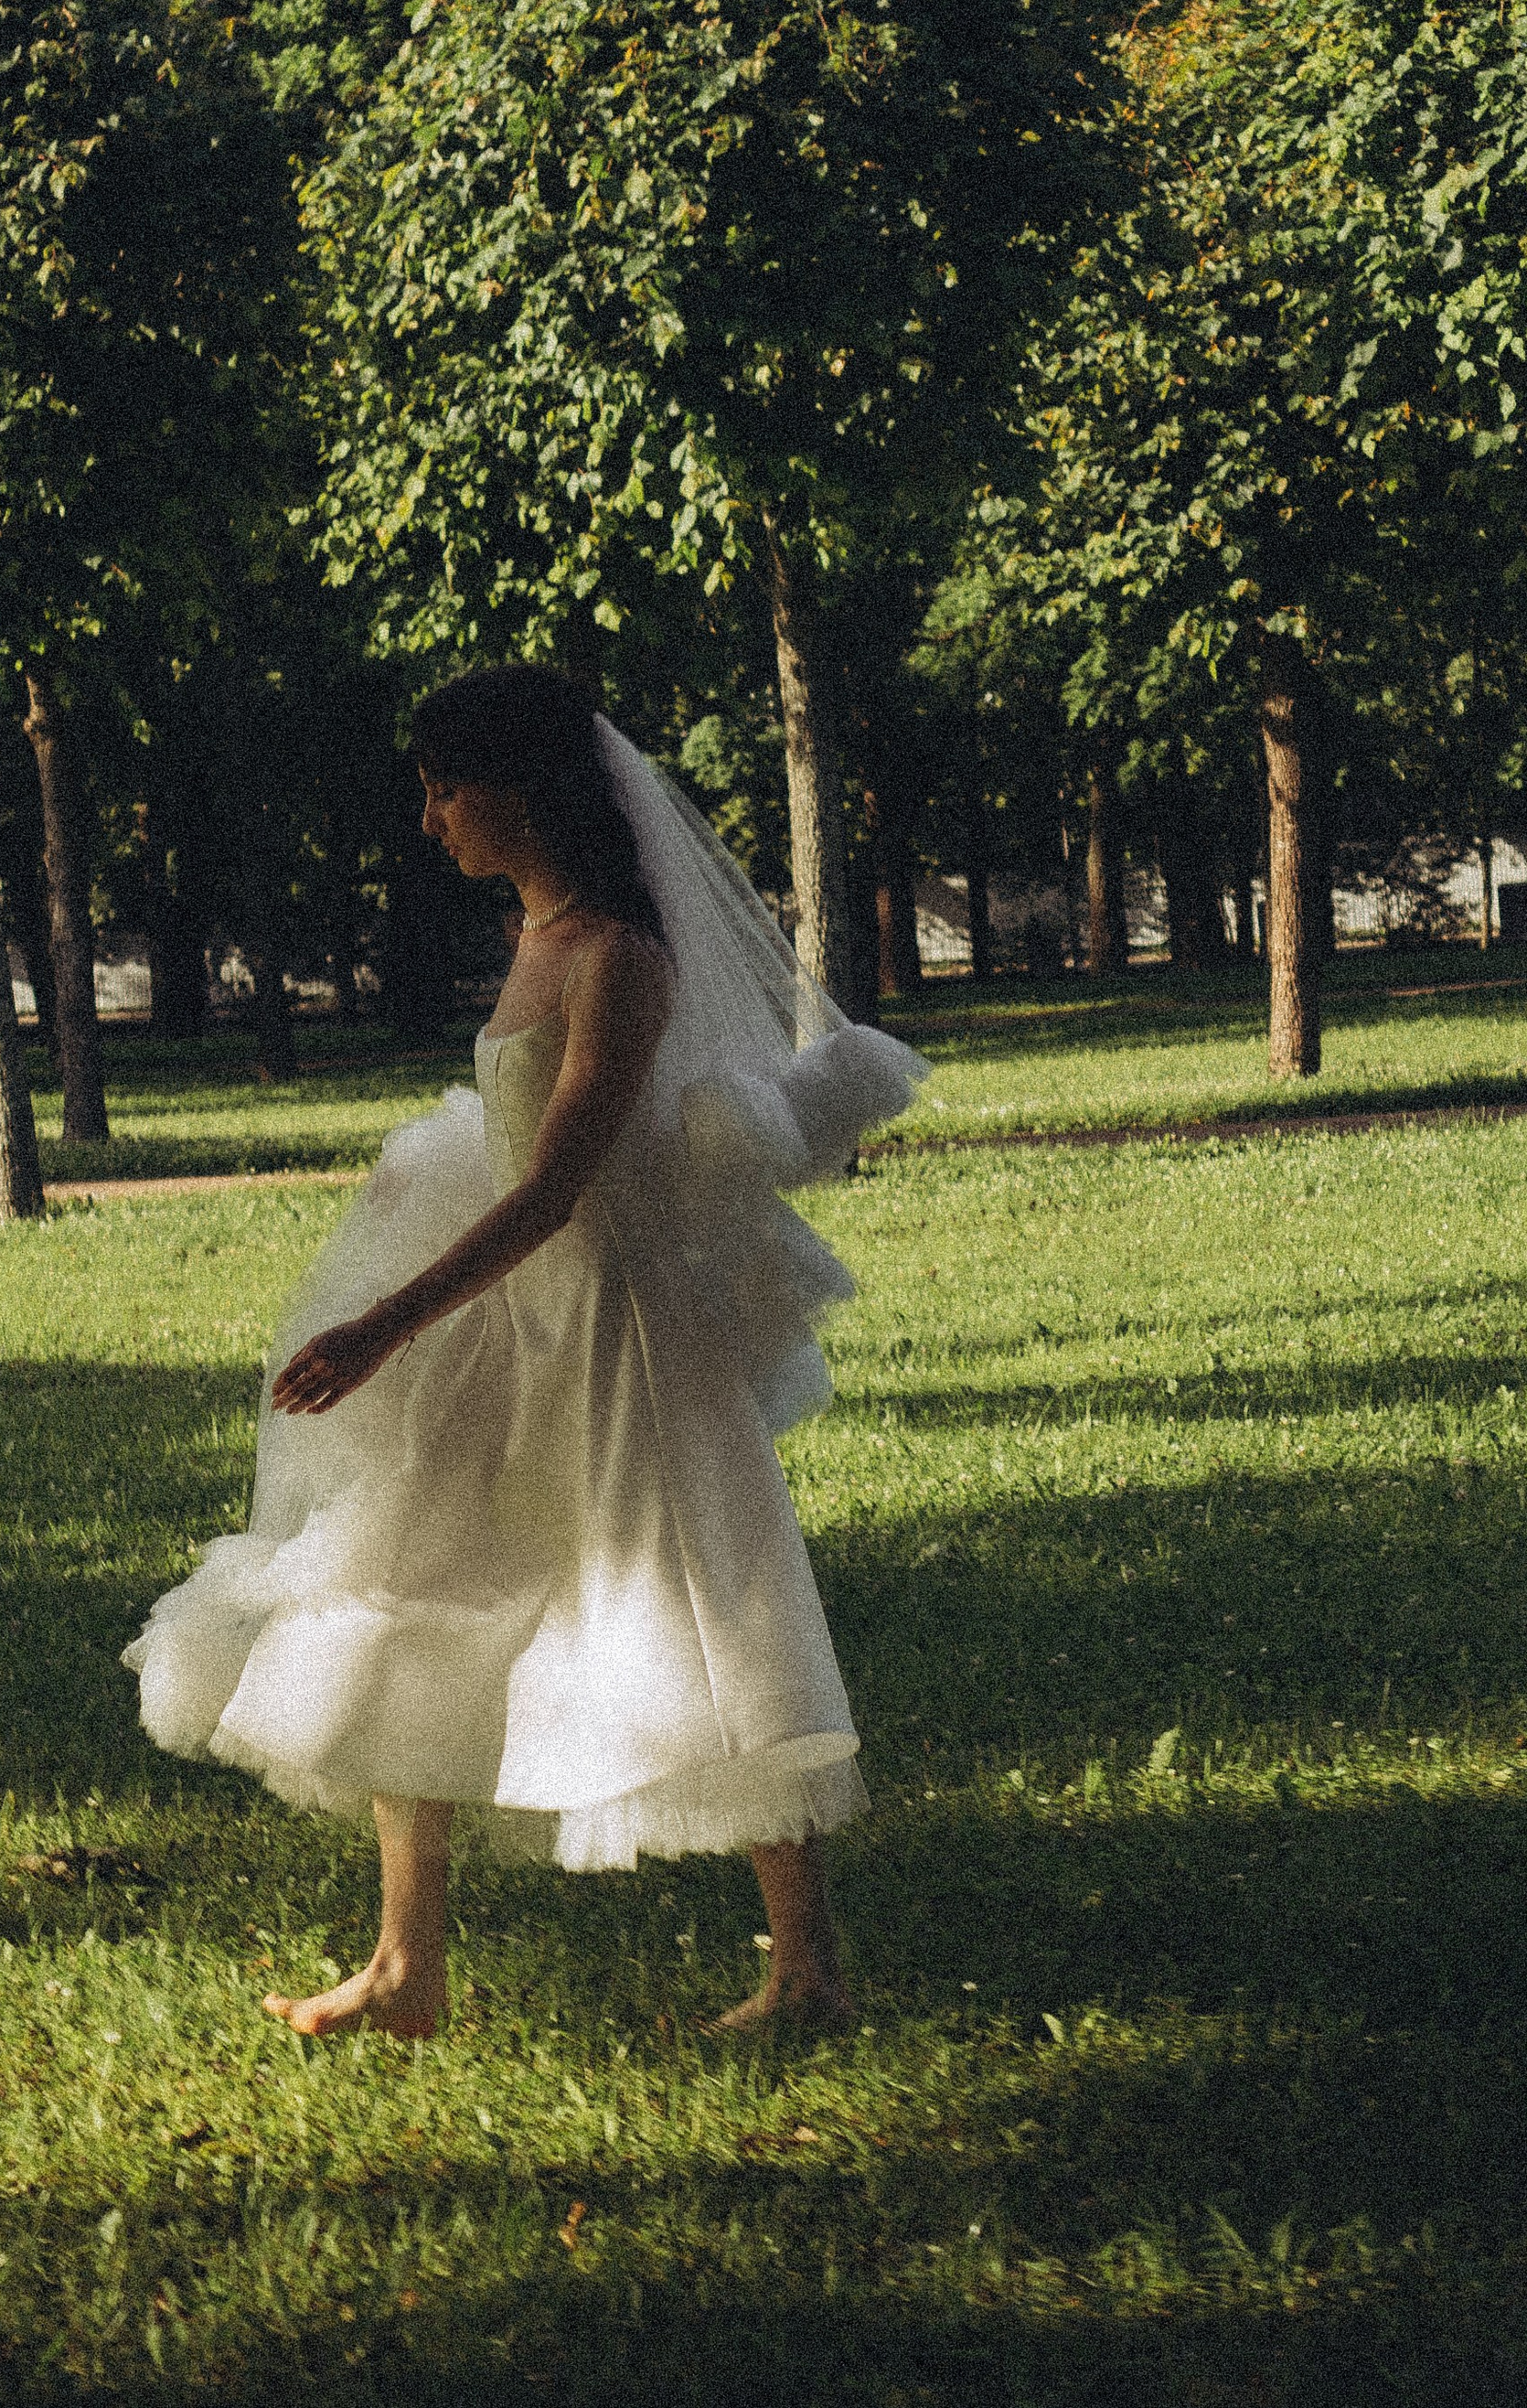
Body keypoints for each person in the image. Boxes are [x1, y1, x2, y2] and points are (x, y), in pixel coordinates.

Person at [123, 666, 925, 2038]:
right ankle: (402, 1968)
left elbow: (560, 1186)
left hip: (609, 1333)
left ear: (526, 789)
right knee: (405, 1591)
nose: (431, 819)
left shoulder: (621, 957)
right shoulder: (537, 937)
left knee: (702, 1621)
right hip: (509, 1328)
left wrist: (385, 1323)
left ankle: (809, 1972)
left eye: (448, 788)